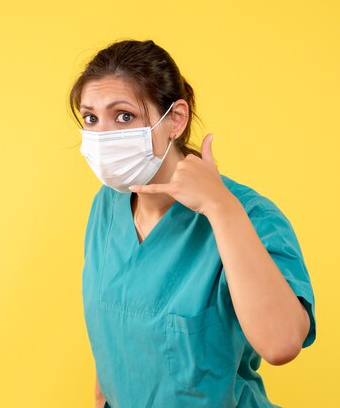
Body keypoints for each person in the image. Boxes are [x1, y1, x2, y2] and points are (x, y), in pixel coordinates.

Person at [69, 39, 316, 408]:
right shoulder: (108, 206)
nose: (103, 136)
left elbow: (282, 344)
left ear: (175, 120)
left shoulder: (249, 216)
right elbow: (113, 341)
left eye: (124, 116)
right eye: (91, 118)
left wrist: (220, 208)